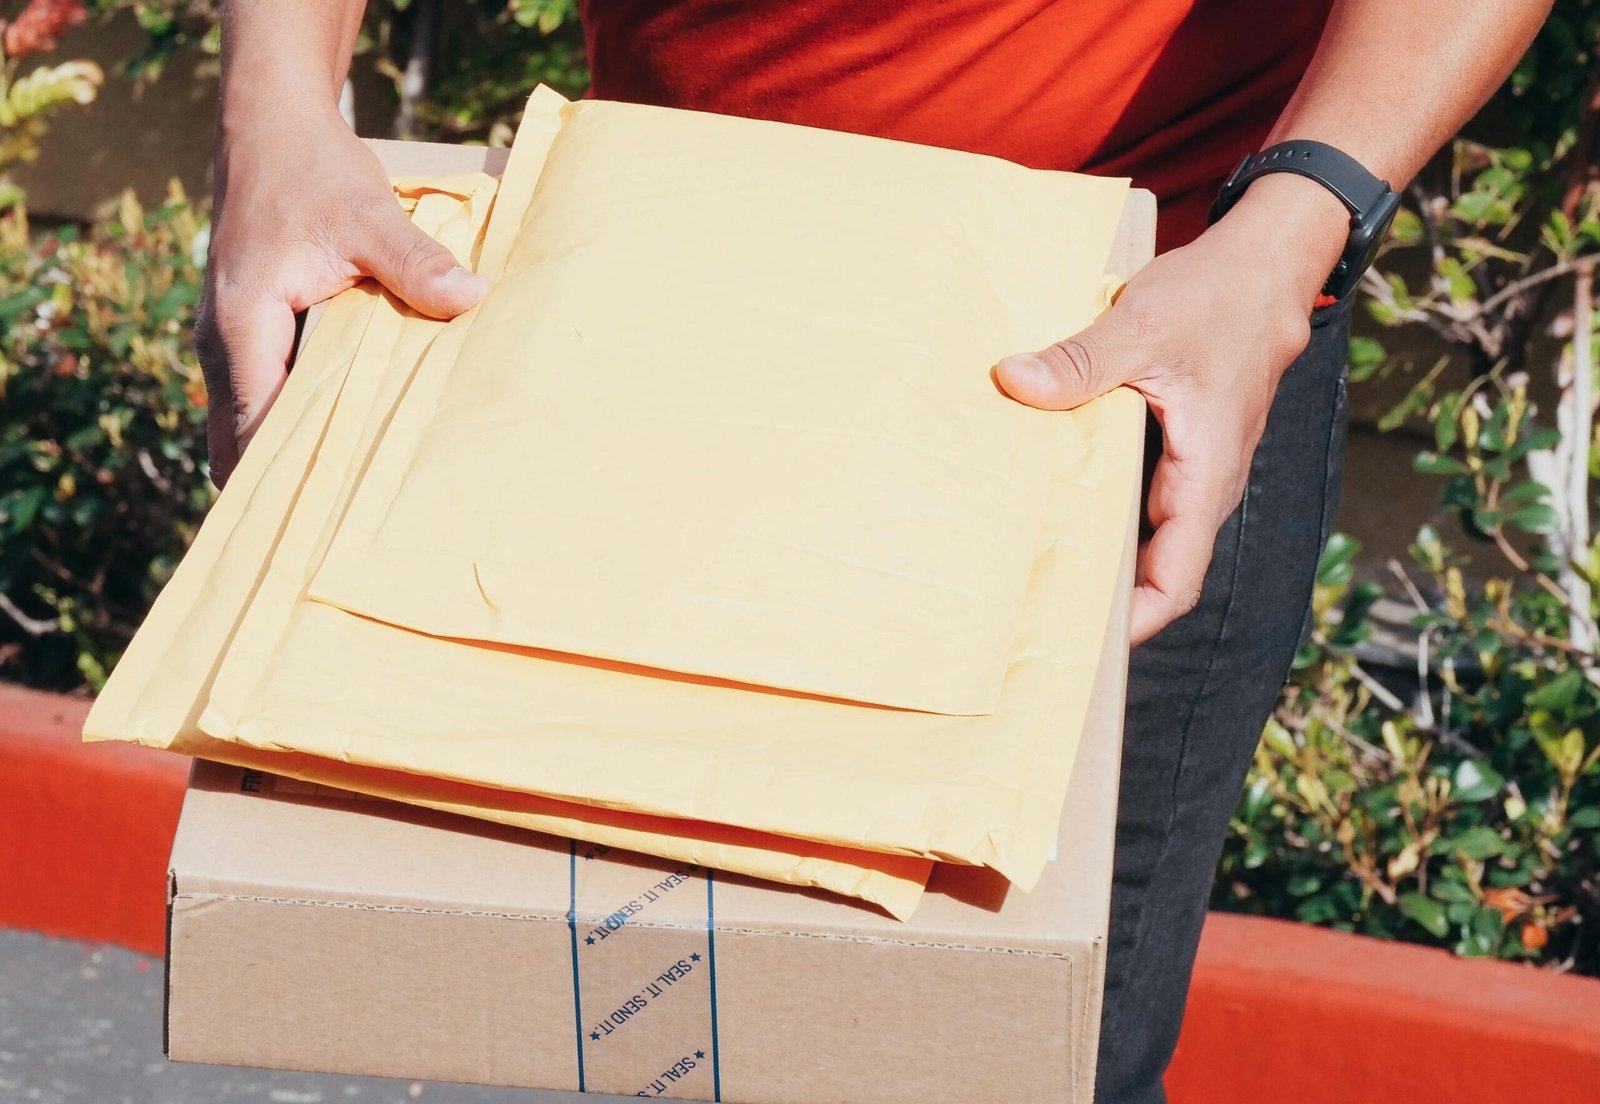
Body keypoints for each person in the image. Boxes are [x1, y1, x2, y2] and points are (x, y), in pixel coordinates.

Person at [196, 2, 1554, 1099]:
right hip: (667, 297)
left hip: (1130, 338)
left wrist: (1296, 225)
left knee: (1012, 1061)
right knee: (668, 1028)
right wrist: (278, 119)